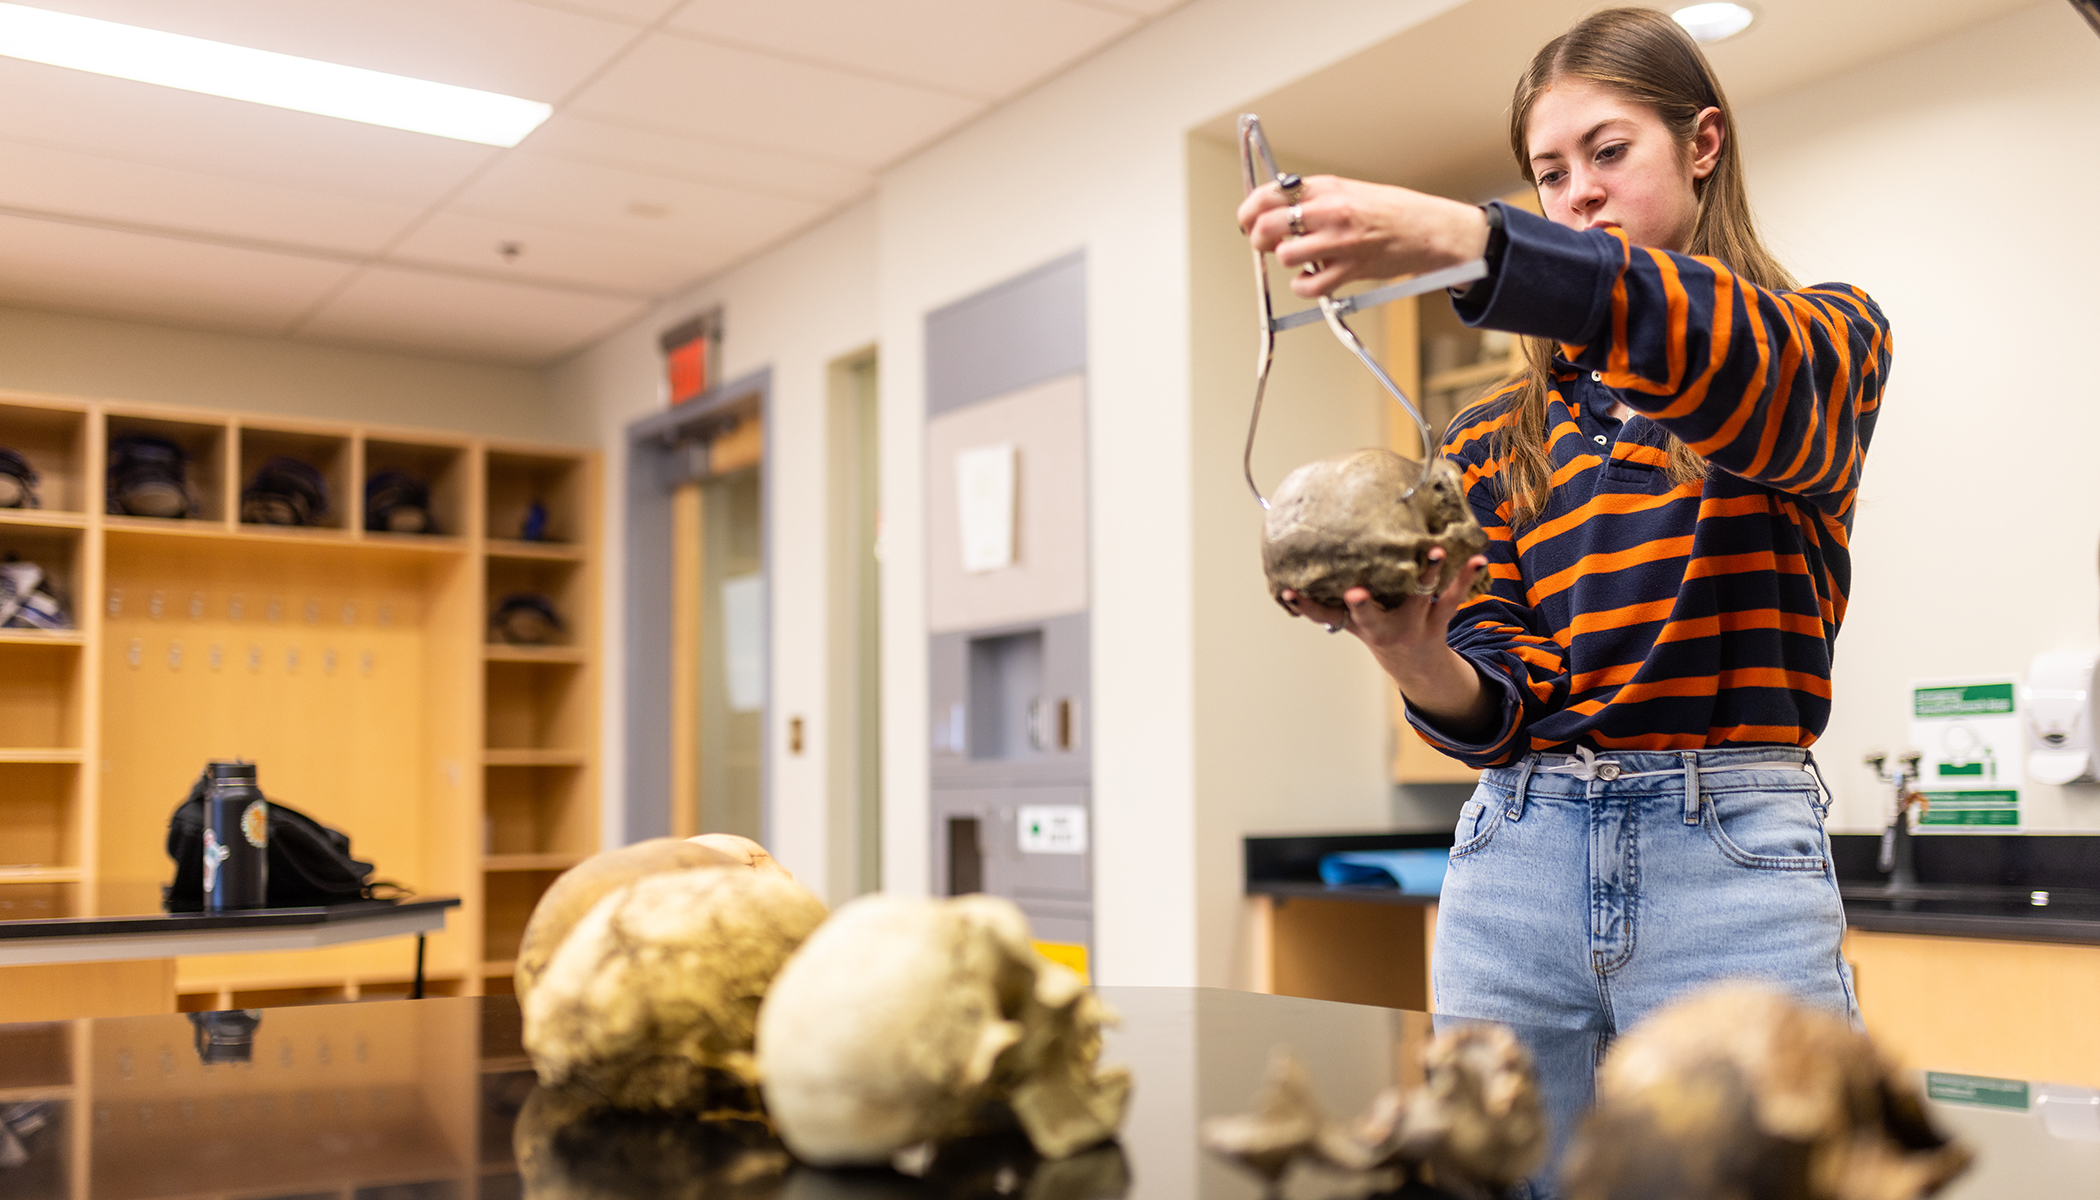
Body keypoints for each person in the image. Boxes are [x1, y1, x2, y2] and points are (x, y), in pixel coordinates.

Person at [1236, 4, 1886, 1164]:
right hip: (1516, 860)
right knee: (1495, 1182)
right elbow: (1506, 698)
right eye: (1547, 172)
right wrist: (1414, 655)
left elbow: (1731, 359)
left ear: (1703, 143)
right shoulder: (1488, 442)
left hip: (1731, 855)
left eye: (1608, 151)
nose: (1576, 191)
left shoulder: (1822, 344)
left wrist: (1474, 244)